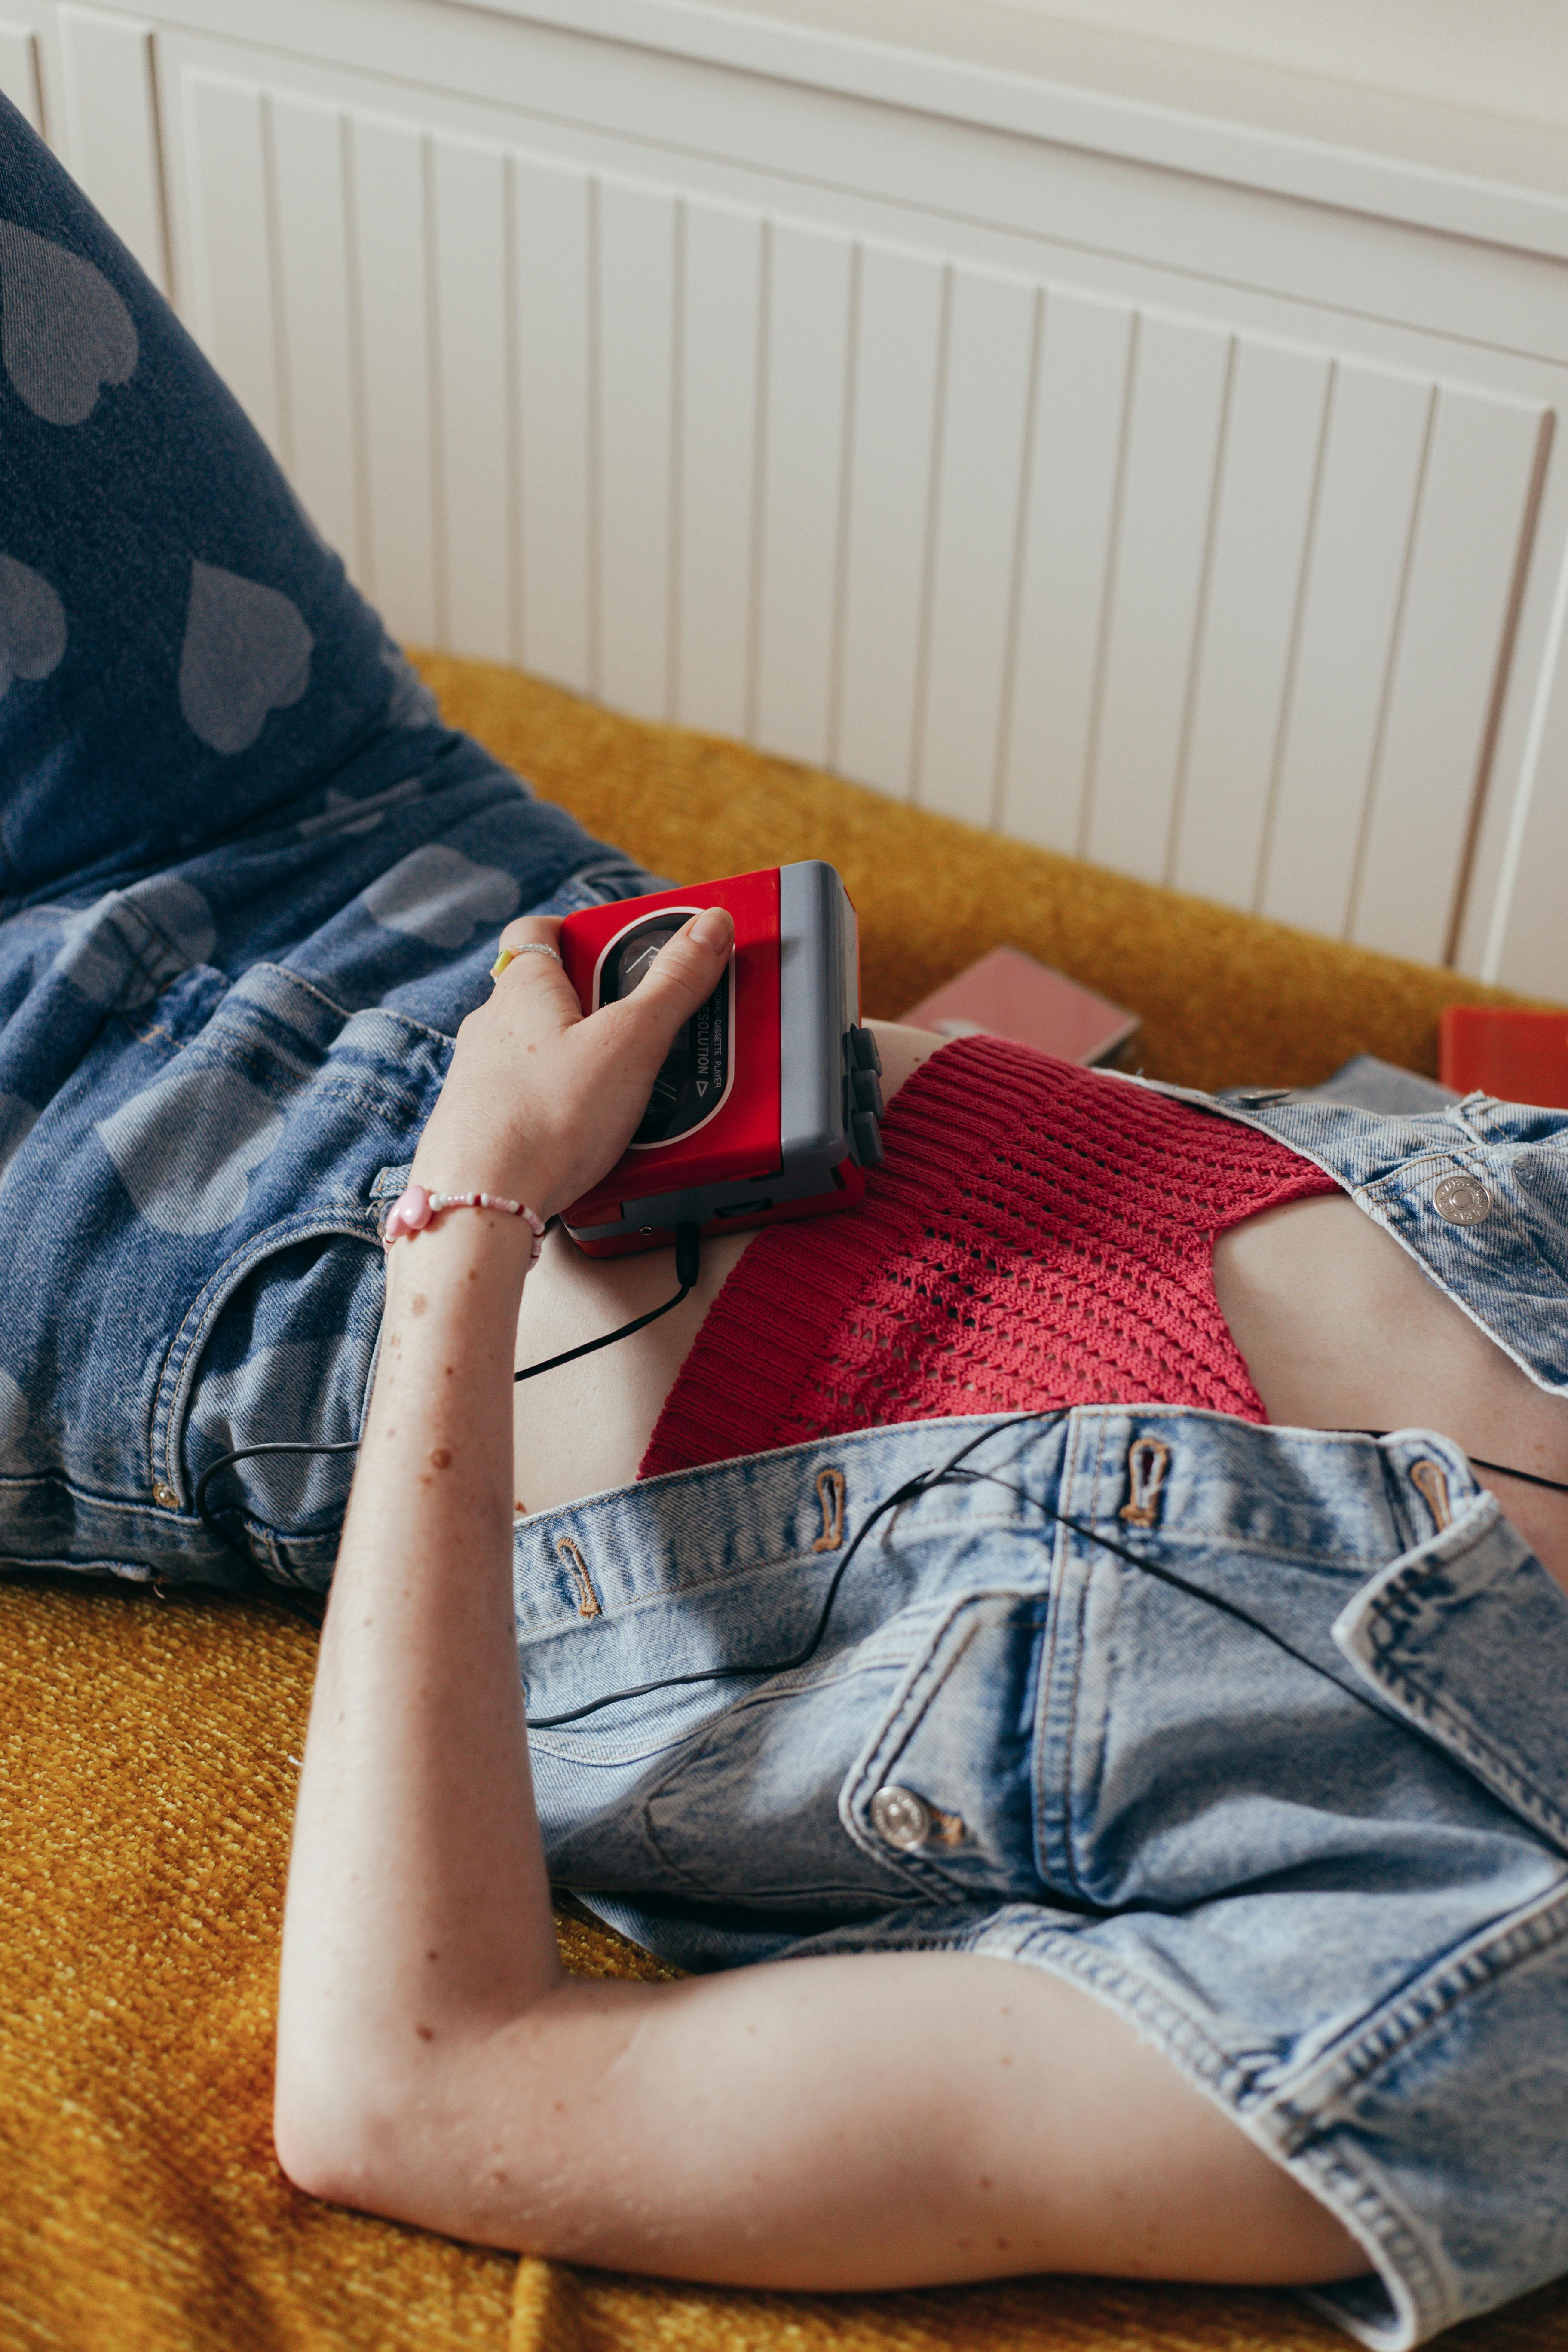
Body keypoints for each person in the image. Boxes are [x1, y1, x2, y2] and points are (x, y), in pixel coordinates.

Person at [1, 102, 1564, 2352]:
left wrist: (468, 1228)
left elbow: (423, 2094)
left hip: (179, 1262)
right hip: (389, 828)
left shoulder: (1467, 2008)